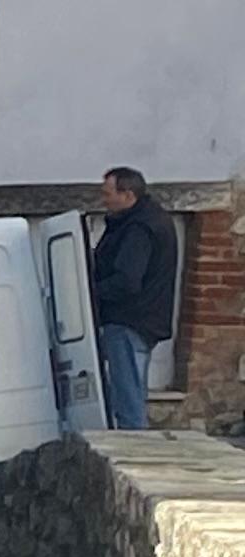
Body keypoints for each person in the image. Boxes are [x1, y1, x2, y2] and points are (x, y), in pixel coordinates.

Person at [90, 166, 180, 431]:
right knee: (132, 392)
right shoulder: (147, 219)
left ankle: (133, 458)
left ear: (128, 195)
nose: (103, 199)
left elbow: (127, 281)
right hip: (142, 319)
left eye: (108, 193)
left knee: (128, 399)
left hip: (129, 320)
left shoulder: (138, 229)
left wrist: (89, 292)